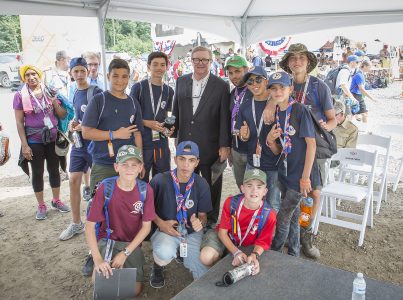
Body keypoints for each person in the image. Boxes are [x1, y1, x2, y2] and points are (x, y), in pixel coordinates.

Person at [85, 145, 155, 297]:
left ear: (140, 167)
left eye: (134, 164)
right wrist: (98, 260)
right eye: (124, 164)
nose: (129, 169)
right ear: (116, 167)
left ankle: (122, 264)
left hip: (130, 243)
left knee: (134, 290)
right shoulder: (106, 187)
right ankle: (94, 256)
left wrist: (125, 253)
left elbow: (146, 227)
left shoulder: (145, 190)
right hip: (108, 239)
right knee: (98, 284)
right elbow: (89, 226)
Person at [172, 46, 231, 224]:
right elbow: (176, 110)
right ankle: (188, 216)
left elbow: (224, 117)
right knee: (186, 179)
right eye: (197, 59)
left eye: (204, 60)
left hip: (210, 144)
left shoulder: (221, 85)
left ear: (210, 62)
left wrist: (224, 144)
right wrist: (174, 134)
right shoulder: (181, 81)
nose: (200, 63)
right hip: (186, 143)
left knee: (211, 183)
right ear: (191, 60)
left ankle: (211, 220)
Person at [149, 141, 212, 288]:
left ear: (197, 163)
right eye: (182, 159)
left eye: (191, 160)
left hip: (190, 232)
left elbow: (203, 215)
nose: (185, 165)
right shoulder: (159, 180)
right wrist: (160, 223)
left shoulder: (202, 184)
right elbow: (146, 210)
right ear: (175, 159)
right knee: (164, 252)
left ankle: (181, 253)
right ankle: (158, 265)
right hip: (166, 230)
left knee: (202, 273)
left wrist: (200, 222)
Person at [266, 71, 316, 257]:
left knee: (283, 216)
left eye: (282, 87)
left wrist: (305, 178)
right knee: (293, 217)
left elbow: (311, 144)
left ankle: (275, 252)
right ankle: (294, 253)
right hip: (285, 172)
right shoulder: (278, 111)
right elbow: (280, 151)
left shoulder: (300, 110)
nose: (278, 91)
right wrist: (271, 141)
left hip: (299, 175)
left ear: (291, 89)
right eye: (274, 88)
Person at [13, 65, 69, 220]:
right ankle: (41, 205)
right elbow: (19, 122)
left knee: (54, 169)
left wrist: (55, 103)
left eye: (34, 74)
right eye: (27, 75)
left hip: (52, 138)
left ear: (39, 75)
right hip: (34, 140)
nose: (31, 77)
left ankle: (56, 200)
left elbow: (63, 115)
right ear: (24, 78)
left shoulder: (50, 91)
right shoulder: (20, 95)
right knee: (37, 172)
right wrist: (25, 145)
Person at [82, 58, 144, 193]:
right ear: (108, 76)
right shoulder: (99, 100)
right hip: (104, 165)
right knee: (100, 208)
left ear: (129, 77)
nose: (120, 80)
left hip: (129, 166)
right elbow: (86, 132)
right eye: (115, 76)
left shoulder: (133, 102)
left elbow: (137, 133)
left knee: (127, 208)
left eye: (124, 76)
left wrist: (140, 161)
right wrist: (114, 134)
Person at [200, 168, 276, 273]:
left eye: (259, 187)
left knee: (250, 264)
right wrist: (236, 252)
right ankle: (219, 265)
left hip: (247, 245)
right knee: (206, 257)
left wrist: (254, 255)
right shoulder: (231, 203)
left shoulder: (269, 215)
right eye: (249, 186)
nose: (254, 191)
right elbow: (222, 233)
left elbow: (263, 242)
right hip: (226, 237)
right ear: (242, 188)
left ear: (265, 191)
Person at [59, 57, 103, 241]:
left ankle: (101, 224)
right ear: (70, 73)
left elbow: (102, 118)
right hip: (78, 144)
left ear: (87, 71)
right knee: (73, 180)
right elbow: (78, 114)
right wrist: (73, 122)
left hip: (94, 144)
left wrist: (83, 125)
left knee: (99, 186)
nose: (78, 74)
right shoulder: (74, 91)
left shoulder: (97, 91)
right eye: (75, 71)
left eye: (81, 70)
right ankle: (76, 223)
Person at [235, 66, 280, 212]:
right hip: (252, 163)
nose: (254, 84)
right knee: (252, 202)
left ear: (266, 81)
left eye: (258, 79)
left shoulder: (277, 104)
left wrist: (272, 101)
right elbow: (241, 135)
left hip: (274, 163)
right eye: (250, 81)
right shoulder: (245, 106)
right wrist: (243, 135)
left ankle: (272, 235)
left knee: (273, 204)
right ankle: (255, 233)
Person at [130, 52, 174, 182]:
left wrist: (169, 127)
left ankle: (158, 203)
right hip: (142, 143)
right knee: (140, 180)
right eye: (155, 64)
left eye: (162, 65)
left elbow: (169, 115)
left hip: (161, 143)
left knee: (162, 181)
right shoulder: (138, 88)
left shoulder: (168, 90)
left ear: (166, 67)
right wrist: (146, 122)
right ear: (149, 66)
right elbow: (130, 115)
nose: (159, 68)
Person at [225, 55, 252, 189]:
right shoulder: (232, 94)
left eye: (238, 71)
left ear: (247, 70)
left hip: (252, 150)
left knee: (255, 190)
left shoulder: (255, 91)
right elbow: (229, 120)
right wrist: (229, 147)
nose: (234, 76)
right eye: (230, 73)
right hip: (236, 149)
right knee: (241, 186)